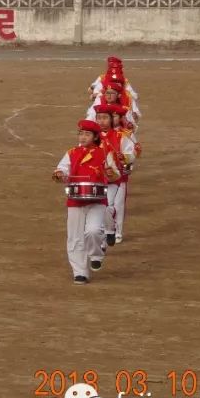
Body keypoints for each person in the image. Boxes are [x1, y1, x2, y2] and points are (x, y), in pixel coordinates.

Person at [52, 119, 120, 284]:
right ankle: (80, 272)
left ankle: (96, 255)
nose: (82, 137)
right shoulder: (72, 152)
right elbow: (62, 168)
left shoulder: (104, 153)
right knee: (74, 237)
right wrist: (60, 173)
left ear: (95, 136)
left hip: (97, 200)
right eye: (81, 134)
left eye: (87, 134)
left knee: (94, 231)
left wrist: (110, 173)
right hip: (75, 200)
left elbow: (115, 175)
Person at [94, 103, 137, 246]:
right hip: (96, 178)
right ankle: (105, 233)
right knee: (98, 208)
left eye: (105, 118)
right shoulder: (91, 137)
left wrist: (124, 158)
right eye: (98, 118)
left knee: (112, 206)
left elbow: (132, 154)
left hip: (115, 179)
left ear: (111, 120)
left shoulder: (121, 136)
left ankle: (114, 230)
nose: (101, 121)